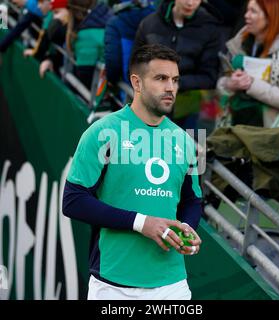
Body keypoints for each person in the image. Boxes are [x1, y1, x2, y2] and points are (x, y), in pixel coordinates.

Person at [62, 44, 203, 300]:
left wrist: (187, 228)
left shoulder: (185, 140)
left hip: (172, 285)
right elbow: (73, 201)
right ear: (136, 83)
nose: (170, 87)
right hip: (113, 285)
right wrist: (141, 223)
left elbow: (193, 200)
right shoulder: (101, 132)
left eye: (175, 80)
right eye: (160, 78)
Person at [133, 0, 221, 130]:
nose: (190, 3)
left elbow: (210, 76)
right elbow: (135, 65)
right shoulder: (149, 24)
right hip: (151, 105)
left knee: (192, 148)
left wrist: (174, 82)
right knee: (148, 147)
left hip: (190, 112)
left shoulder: (210, 28)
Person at [216, 0, 279, 128]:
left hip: (270, 136)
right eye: (247, 10)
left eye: (253, 11)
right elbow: (220, 83)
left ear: (270, 17)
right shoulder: (238, 44)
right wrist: (230, 84)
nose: (247, 15)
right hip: (234, 127)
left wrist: (252, 84)